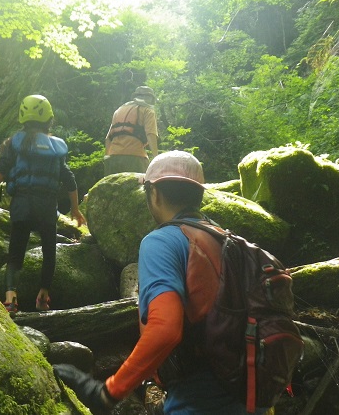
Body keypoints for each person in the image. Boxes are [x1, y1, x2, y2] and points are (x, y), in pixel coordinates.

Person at [54, 151, 268, 414]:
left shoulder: (162, 241)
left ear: (153, 193)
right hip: (251, 392)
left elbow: (165, 330)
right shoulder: (225, 238)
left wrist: (106, 393)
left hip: (199, 398)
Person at [0, 94, 85, 315]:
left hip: (21, 204)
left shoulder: (13, 144)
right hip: (46, 207)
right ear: (49, 119)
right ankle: (43, 297)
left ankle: (10, 299)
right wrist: (75, 209)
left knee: (15, 253)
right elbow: (70, 181)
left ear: (22, 117)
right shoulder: (55, 148)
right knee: (49, 252)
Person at [103, 85, 159, 175]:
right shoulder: (148, 110)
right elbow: (150, 134)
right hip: (135, 157)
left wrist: (106, 157)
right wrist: (156, 158)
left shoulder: (119, 110)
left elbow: (108, 138)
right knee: (140, 187)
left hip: (112, 157)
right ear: (149, 98)